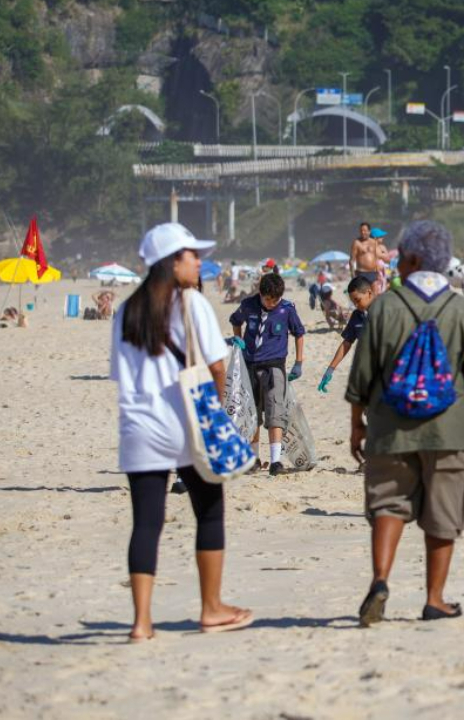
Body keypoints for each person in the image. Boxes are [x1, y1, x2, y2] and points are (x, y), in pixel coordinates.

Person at [346, 220, 464, 627]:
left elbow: (362, 375)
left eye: (401, 255)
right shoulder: (461, 310)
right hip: (449, 430)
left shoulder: (384, 306)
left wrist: (357, 425)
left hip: (390, 427)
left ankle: (381, 580)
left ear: (415, 259)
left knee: (387, 503)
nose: (395, 262)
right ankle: (434, 598)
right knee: (443, 511)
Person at [110, 223, 252, 642]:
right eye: (192, 255)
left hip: (138, 427)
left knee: (145, 524)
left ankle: (141, 623)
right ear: (172, 262)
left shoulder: (125, 311)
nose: (198, 262)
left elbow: (121, 375)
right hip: (186, 425)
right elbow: (217, 366)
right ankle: (211, 608)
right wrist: (219, 412)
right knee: (209, 510)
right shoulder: (191, 303)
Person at [229, 272, 306, 476]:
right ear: (260, 293)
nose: (272, 303)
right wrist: (238, 340)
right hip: (249, 366)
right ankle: (254, 459)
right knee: (252, 414)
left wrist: (299, 362)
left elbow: (299, 333)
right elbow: (235, 321)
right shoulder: (248, 305)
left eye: (276, 299)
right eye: (268, 299)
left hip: (274, 368)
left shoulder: (287, 309)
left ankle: (275, 462)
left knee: (275, 413)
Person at [318, 276, 376, 394]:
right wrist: (330, 369)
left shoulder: (386, 310)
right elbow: (346, 343)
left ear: (369, 293)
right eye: (353, 301)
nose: (355, 305)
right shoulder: (356, 316)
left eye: (357, 300)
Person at [350, 222, 388, 293]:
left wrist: (379, 273)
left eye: (365, 230)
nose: (363, 232)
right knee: (364, 295)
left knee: (375, 294)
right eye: (361, 230)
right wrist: (353, 277)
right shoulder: (356, 243)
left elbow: (377, 257)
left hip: (373, 273)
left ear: (369, 231)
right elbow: (352, 261)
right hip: (361, 273)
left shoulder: (374, 242)